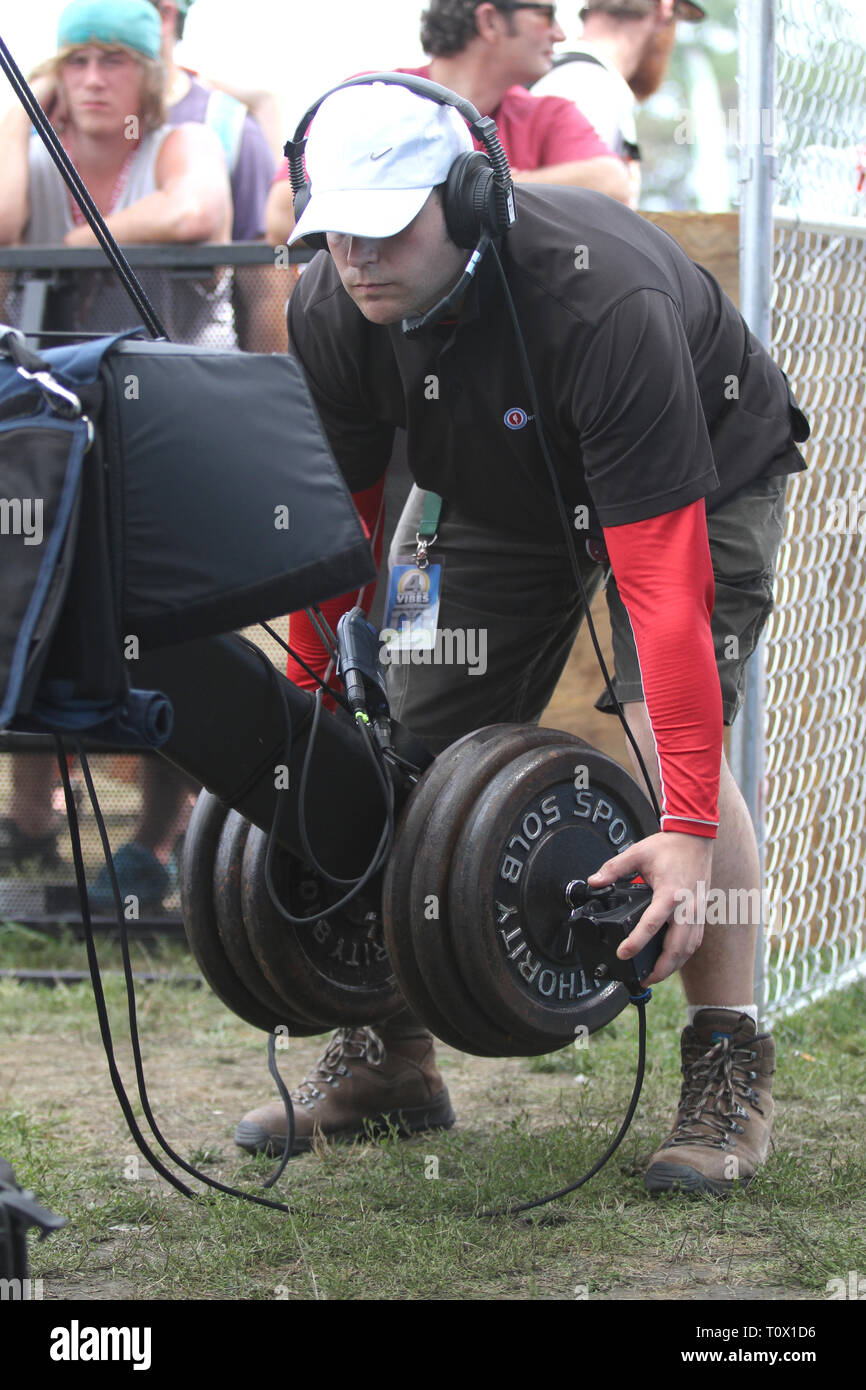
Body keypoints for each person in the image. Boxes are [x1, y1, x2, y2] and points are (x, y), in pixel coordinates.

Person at [234, 78, 811, 1198]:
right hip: (498, 497)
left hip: (698, 466)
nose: (356, 255)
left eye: (389, 223)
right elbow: (335, 535)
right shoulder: (329, 308)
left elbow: (664, 596)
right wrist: (315, 708)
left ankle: (726, 1061)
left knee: (657, 724)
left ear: (468, 195)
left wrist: (682, 829)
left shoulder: (602, 307)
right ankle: (390, 1055)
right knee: (403, 733)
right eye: (336, 226)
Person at [0, 0, 232, 908]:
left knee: (168, 631)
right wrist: (23, 116)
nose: (96, 79)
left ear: (152, 72)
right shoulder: (32, 144)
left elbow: (196, 211)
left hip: (163, 425)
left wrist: (68, 249)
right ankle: (29, 822)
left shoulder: (182, 138)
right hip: (48, 430)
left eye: (115, 61)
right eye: (78, 60)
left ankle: (156, 841)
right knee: (30, 608)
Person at [264, 0, 632, 247]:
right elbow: (283, 214)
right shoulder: (372, 97)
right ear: (489, 20)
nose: (560, 34)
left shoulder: (549, 113)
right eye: (545, 14)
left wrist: (470, 189)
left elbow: (612, 185)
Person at [533, 0, 706, 208]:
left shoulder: (570, 74)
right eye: (678, 21)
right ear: (665, 7)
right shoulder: (589, 83)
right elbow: (570, 203)